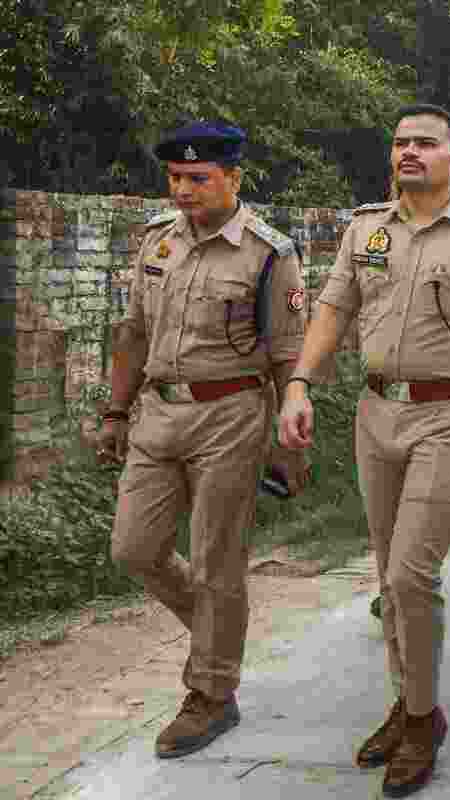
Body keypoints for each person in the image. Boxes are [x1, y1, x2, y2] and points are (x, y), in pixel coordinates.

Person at [278, 103, 450, 797]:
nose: (409, 152)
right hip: (375, 414)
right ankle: (406, 702)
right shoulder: (366, 229)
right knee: (388, 573)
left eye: (426, 143)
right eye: (400, 143)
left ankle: (423, 720)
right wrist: (300, 384)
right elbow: (333, 310)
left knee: (409, 576)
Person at [101, 121, 309, 761]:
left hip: (232, 417)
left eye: (199, 178)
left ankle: (211, 694)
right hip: (157, 416)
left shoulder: (269, 254)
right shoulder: (156, 245)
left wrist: (290, 442)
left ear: (233, 179)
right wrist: (114, 410)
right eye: (175, 178)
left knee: (217, 559)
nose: (184, 189)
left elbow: (288, 356)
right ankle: (222, 636)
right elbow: (133, 333)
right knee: (134, 549)